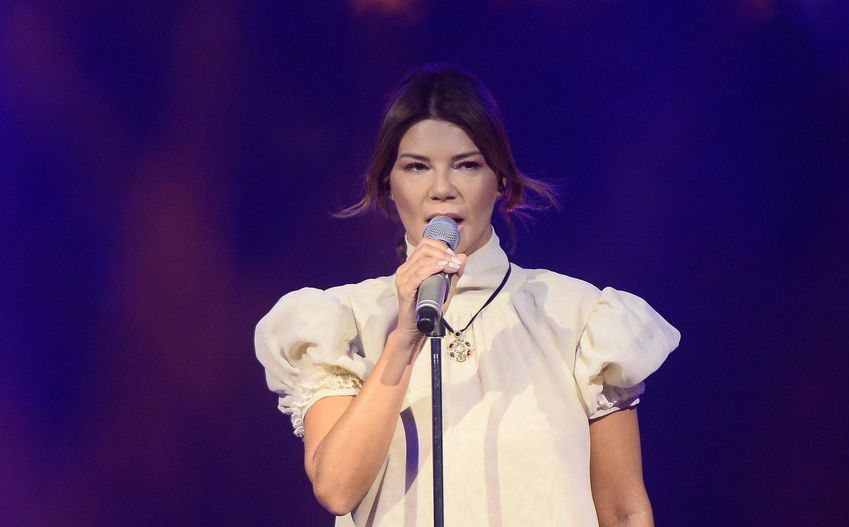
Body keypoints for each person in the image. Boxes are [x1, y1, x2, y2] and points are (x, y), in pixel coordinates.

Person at [255, 64, 681, 527]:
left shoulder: (576, 316)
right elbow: (337, 489)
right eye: (417, 167)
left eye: (467, 165)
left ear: (501, 182)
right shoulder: (345, 322)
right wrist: (404, 341)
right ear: (387, 186)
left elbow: (623, 511)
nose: (442, 189)